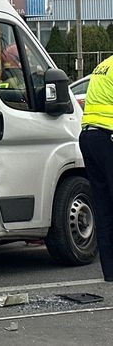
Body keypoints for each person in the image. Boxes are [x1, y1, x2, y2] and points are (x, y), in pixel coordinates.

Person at [80, 55, 113, 281]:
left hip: (89, 137)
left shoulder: (104, 65)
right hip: (107, 138)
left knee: (103, 207)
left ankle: (110, 272)